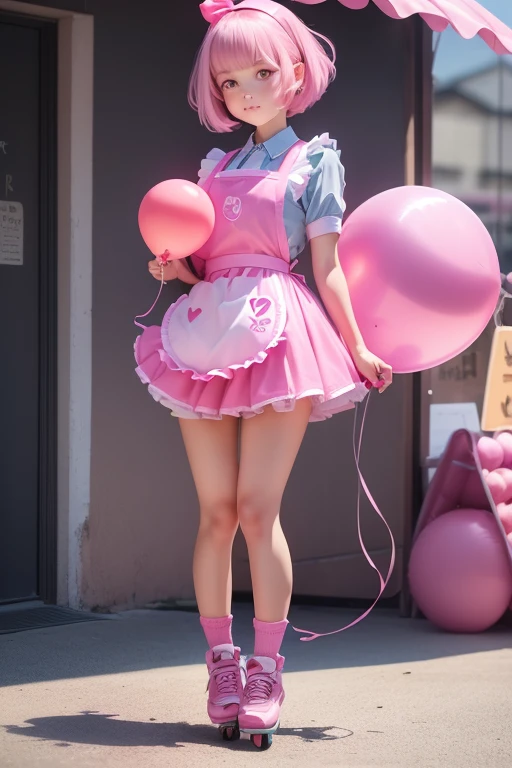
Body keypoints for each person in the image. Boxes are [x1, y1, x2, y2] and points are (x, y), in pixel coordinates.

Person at [134, 0, 392, 747]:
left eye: (260, 73)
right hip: (207, 328)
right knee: (214, 513)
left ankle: (267, 666)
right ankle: (221, 661)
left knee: (255, 509)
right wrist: (178, 268)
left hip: (280, 329)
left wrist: (359, 345)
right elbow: (204, 265)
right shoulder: (215, 166)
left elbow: (329, 268)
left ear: (295, 74)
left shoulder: (315, 160)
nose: (246, 91)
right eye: (230, 81)